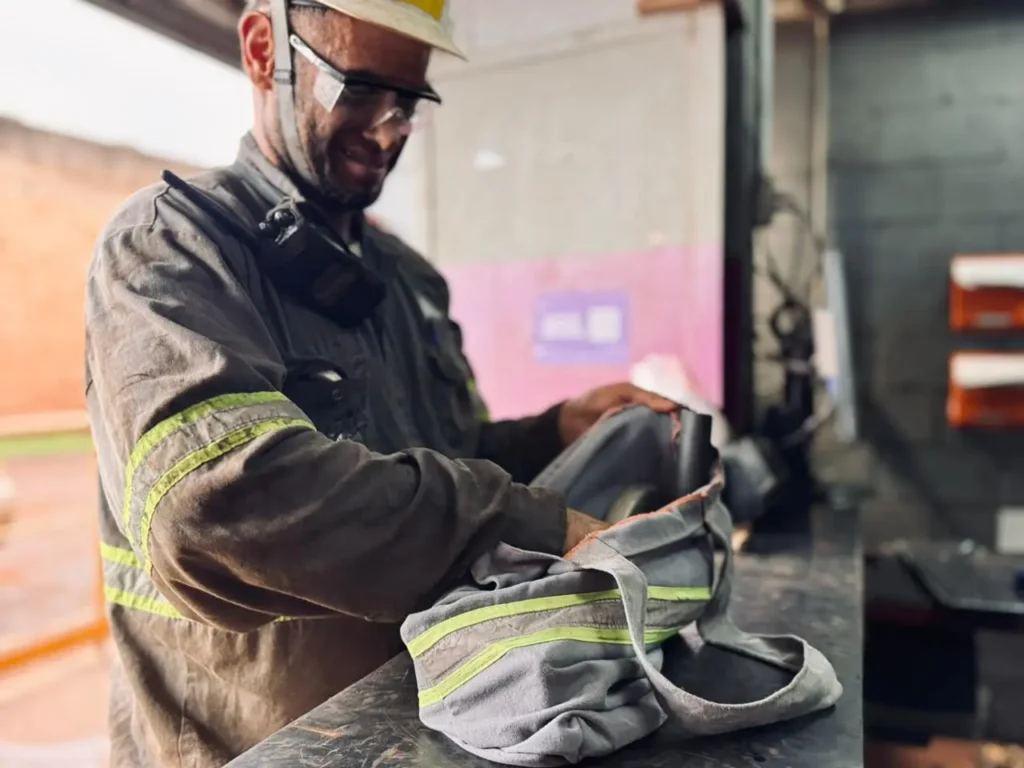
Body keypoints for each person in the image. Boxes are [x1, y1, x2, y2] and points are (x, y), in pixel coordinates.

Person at [86, 0, 677, 765]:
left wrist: (550, 433)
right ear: (263, 50)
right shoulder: (171, 250)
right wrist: (524, 524)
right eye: (358, 90)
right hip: (255, 748)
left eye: (408, 102)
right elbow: (218, 502)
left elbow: (440, 457)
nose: (389, 130)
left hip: (430, 730)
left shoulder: (406, 281)